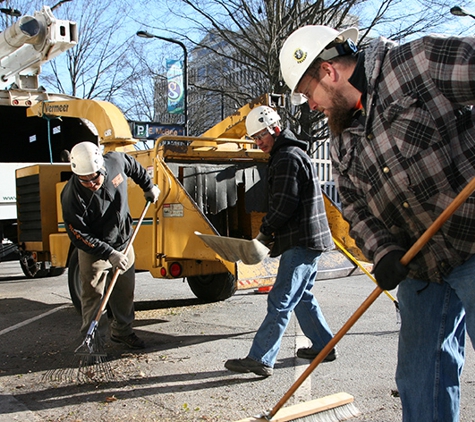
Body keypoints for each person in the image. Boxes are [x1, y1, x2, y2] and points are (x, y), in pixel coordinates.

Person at [279, 25, 475, 421]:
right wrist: (383, 251)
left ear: (329, 72)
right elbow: (353, 206)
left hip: (472, 239)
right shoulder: (341, 137)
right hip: (420, 266)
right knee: (419, 378)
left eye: (307, 93)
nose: (309, 106)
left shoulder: (415, 63)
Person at [224, 105, 336, 377]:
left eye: (261, 135)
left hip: (302, 240)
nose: (258, 142)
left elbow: (285, 203)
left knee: (281, 298)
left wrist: (266, 231)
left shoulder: (286, 157)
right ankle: (324, 345)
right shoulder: (290, 153)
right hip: (308, 239)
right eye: (254, 138)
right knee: (301, 296)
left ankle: (261, 358)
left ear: (275, 128)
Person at [61, 141, 160, 349]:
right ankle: (92, 341)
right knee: (93, 295)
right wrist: (108, 253)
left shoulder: (115, 162)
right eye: (84, 180)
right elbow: (77, 233)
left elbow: (134, 166)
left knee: (125, 291)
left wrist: (148, 187)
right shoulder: (71, 195)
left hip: (124, 240)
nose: (91, 183)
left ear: (101, 167)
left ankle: (122, 331)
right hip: (94, 250)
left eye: (94, 177)